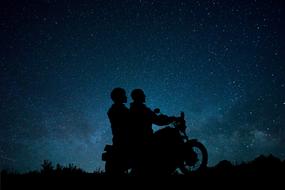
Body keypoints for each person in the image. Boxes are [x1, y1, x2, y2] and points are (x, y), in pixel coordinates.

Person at [129, 88, 176, 174]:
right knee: (169, 132)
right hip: (146, 138)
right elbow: (159, 121)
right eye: (143, 94)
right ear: (139, 96)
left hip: (136, 140)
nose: (145, 96)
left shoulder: (132, 108)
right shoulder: (143, 109)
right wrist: (172, 118)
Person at [107, 87, 131, 174]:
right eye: (124, 95)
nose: (126, 97)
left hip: (122, 140)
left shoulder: (118, 109)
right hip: (124, 141)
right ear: (119, 97)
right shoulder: (119, 110)